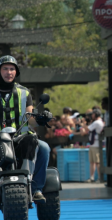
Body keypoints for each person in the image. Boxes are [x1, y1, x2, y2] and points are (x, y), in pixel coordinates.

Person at [0, 55, 51, 203]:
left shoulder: (24, 92)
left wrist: (41, 119)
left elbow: (31, 119)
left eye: (12, 69)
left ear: (16, 72)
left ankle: (34, 188)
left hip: (21, 137)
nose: (9, 72)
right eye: (5, 69)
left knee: (45, 148)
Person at [83, 109, 104, 183]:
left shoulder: (97, 122)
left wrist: (84, 122)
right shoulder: (96, 122)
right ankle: (92, 177)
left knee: (97, 162)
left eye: (93, 114)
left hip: (96, 144)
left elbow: (87, 128)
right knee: (92, 162)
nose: (91, 115)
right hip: (93, 144)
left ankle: (99, 177)